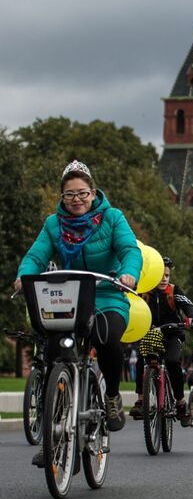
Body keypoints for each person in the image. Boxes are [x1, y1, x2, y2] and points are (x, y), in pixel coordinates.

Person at [15, 160, 142, 466]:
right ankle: (51, 436)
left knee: (108, 338)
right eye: (70, 194)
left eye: (82, 193)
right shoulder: (53, 224)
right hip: (67, 297)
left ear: (93, 192)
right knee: (53, 357)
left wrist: (128, 274)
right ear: (62, 197)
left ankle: (111, 396)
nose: (77, 200)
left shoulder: (112, 218)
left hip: (108, 294)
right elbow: (36, 255)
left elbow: (129, 250)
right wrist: (24, 276)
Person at [129, 256, 193, 427]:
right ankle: (140, 400)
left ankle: (180, 403)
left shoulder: (174, 291)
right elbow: (130, 303)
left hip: (173, 333)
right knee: (141, 359)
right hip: (151, 333)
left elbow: (189, 306)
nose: (163, 279)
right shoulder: (144, 292)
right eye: (160, 275)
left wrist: (191, 318)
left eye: (166, 276)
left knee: (173, 361)